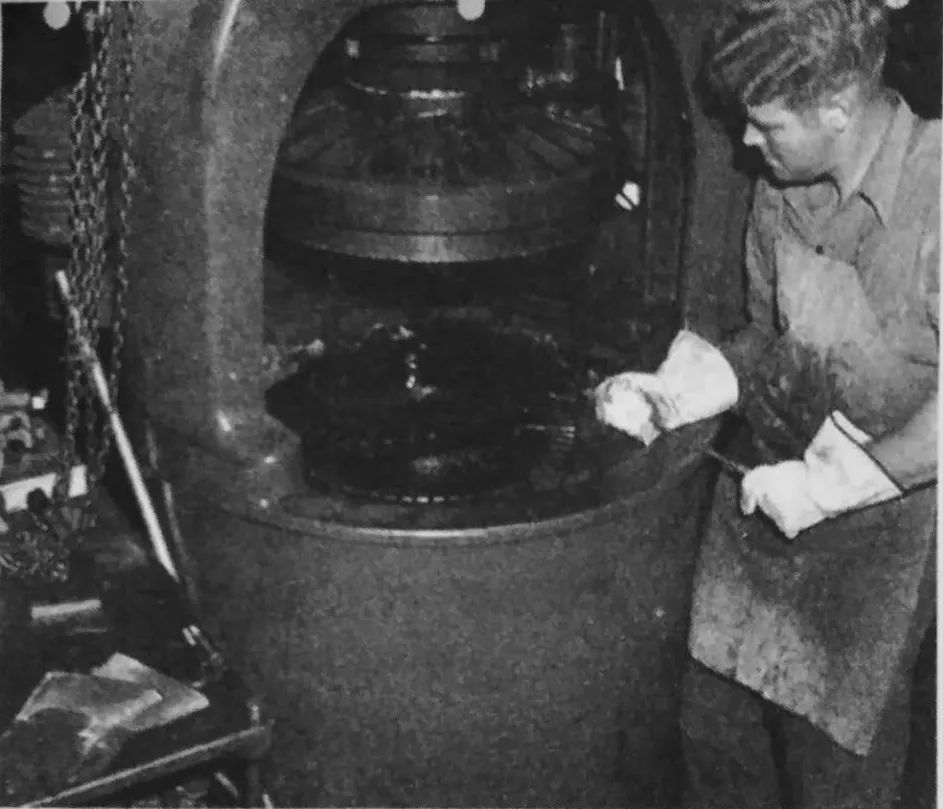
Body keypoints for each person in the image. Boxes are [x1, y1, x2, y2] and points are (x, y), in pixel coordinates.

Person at [594, 0, 939, 806]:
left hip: (881, 542)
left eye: (766, 123)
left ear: (837, 107)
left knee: (832, 778)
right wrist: (690, 386)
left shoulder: (936, 191)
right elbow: (766, 337)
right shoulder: (783, 187)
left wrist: (834, 485)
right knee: (713, 741)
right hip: (759, 507)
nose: (746, 141)